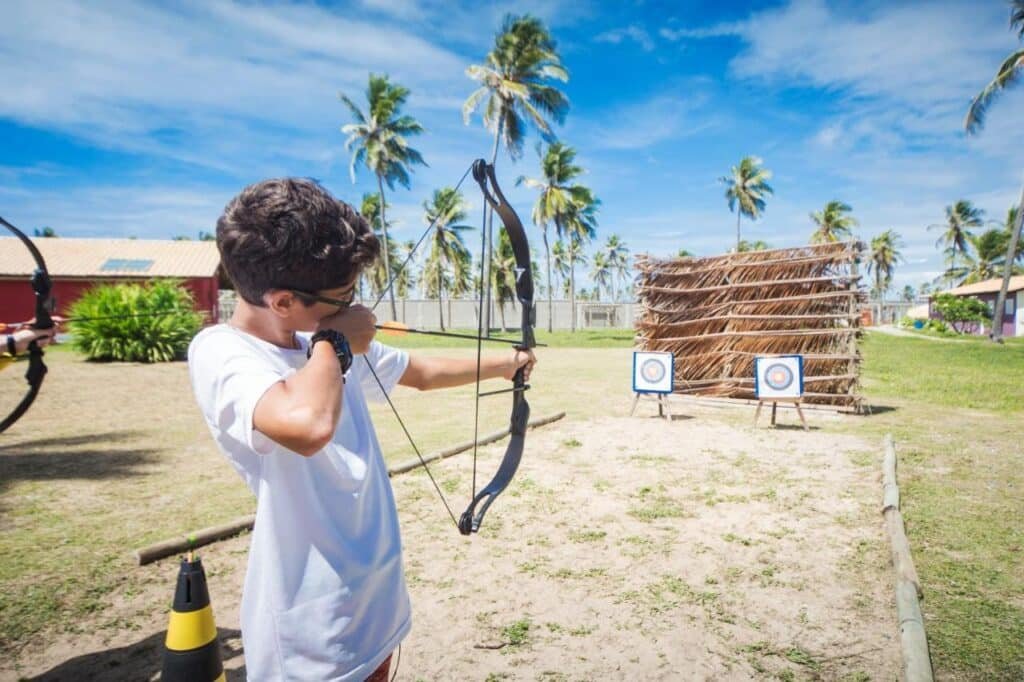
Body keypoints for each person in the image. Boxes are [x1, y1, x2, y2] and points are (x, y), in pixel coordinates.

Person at [188, 178, 535, 681]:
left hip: (375, 602)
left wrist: (508, 362)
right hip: (313, 635)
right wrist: (334, 340)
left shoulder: (321, 337)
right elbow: (307, 425)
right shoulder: (223, 351)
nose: (355, 308)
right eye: (342, 296)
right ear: (283, 301)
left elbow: (420, 372)